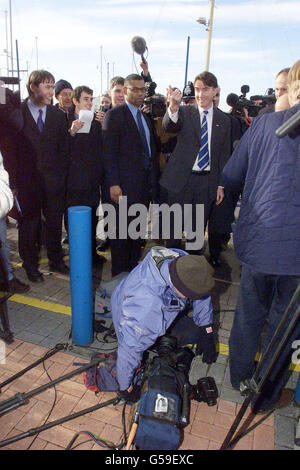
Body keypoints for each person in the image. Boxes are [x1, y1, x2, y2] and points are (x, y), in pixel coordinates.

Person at [221, 59, 300, 413]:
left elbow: (232, 173)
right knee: (284, 327)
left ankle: (240, 378)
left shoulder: (265, 124)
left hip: (258, 246)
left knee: (249, 314)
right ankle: (266, 394)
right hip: (294, 258)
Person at [111, 246, 217, 394]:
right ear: (182, 291)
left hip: (154, 304)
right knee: (137, 345)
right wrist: (124, 387)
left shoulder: (180, 260)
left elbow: (200, 292)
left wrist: (206, 328)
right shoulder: (146, 307)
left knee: (195, 332)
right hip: (130, 310)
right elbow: (129, 350)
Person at [160, 72, 233, 267]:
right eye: (198, 90)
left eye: (205, 90)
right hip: (180, 181)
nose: (200, 95)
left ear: (215, 91)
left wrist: (220, 184)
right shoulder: (185, 112)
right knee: (173, 231)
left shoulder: (224, 120)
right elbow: (168, 126)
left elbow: (223, 155)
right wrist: (173, 107)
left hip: (206, 183)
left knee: (196, 233)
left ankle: (190, 273)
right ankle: (168, 270)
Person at [102, 73, 160, 276]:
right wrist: (113, 184)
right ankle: (119, 278)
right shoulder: (114, 116)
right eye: (135, 89)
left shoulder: (145, 118)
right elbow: (109, 154)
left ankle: (132, 274)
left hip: (143, 190)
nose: (140, 93)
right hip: (122, 189)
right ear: (125, 91)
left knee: (136, 235)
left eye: (142, 89)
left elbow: (151, 151)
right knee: (120, 238)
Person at [16, 70, 69, 282]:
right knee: (29, 226)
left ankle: (56, 261)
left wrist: (61, 178)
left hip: (53, 183)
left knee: (54, 223)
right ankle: (31, 266)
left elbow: (63, 150)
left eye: (52, 86)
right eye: (47, 86)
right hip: (27, 184)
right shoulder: (17, 112)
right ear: (33, 87)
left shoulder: (57, 115)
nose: (51, 91)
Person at [66, 86, 103, 264]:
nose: (89, 103)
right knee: (74, 221)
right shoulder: (65, 120)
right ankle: (76, 256)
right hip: (73, 183)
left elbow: (100, 150)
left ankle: (91, 254)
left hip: (92, 182)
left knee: (93, 219)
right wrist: (72, 133)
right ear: (75, 101)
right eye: (86, 99)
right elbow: (61, 151)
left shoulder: (95, 123)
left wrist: (103, 126)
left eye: (91, 99)